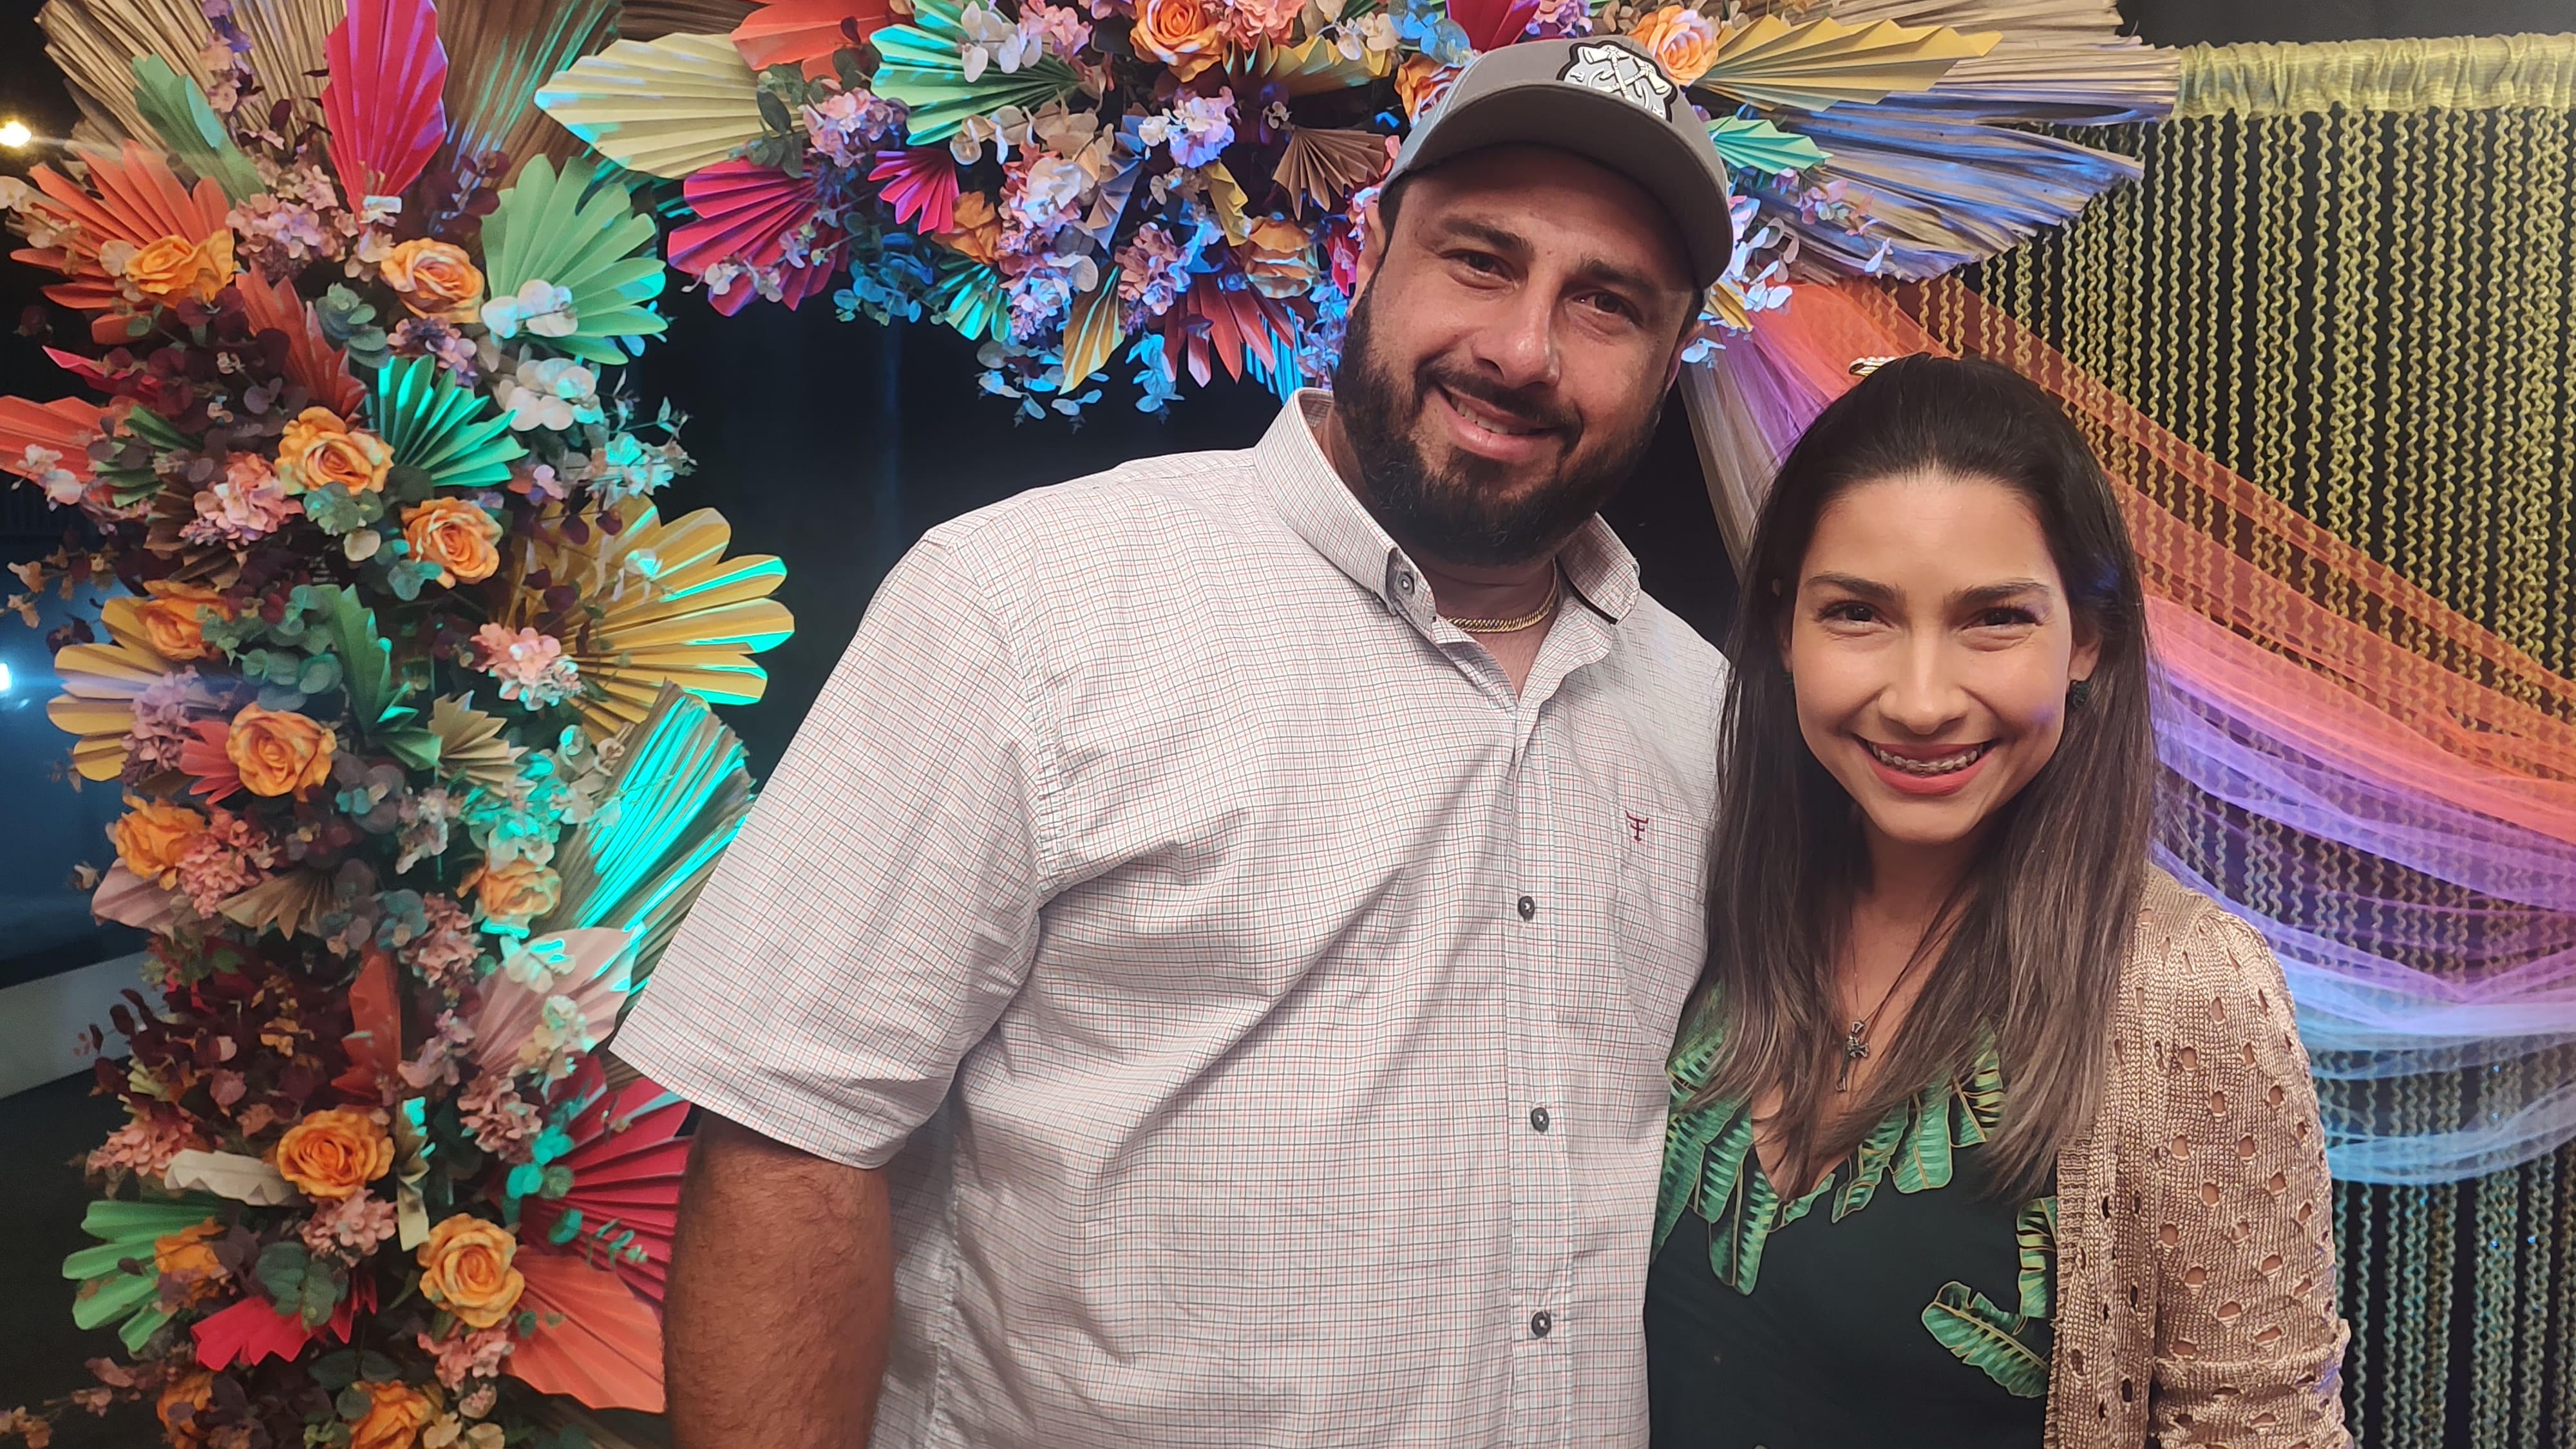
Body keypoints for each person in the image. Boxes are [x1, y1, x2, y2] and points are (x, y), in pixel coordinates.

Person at [613, 35, 1739, 1449]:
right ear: (1368, 250)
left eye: (1606, 303)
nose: (1522, 348)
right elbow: (790, 1145)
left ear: (1670, 360)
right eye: (1478, 260)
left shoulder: (1702, 712)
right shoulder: (1023, 607)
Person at [1643, 354, 2350, 1448]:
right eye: (1858, 613)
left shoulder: (2184, 987)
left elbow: (2258, 1428)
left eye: (1994, 619)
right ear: (1785, 628)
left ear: (2090, 639)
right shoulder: (1719, 893)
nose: (1922, 700)